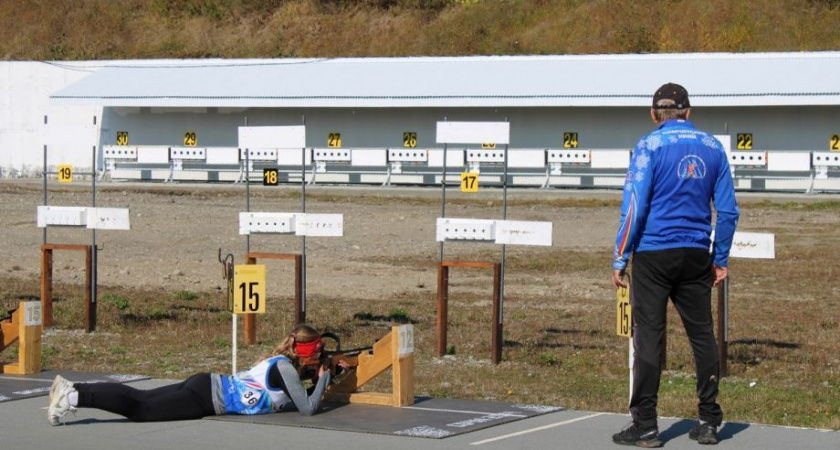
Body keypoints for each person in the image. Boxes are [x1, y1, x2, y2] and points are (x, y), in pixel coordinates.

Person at [611, 83, 739, 447]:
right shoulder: (714, 147)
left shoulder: (648, 145)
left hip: (653, 253)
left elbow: (634, 207)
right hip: (697, 253)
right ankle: (709, 420)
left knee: (649, 337)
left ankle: (646, 426)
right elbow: (728, 210)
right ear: (688, 112)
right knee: (702, 336)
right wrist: (721, 258)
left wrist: (620, 256)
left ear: (654, 115)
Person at [47, 324, 338, 425]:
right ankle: (71, 397)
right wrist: (325, 374)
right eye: (317, 353)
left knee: (140, 396)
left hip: (206, 383)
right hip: (206, 398)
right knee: (140, 410)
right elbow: (308, 408)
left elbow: (295, 394)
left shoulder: (282, 361)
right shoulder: (286, 369)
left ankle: (73, 387)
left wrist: (323, 374)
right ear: (307, 352)